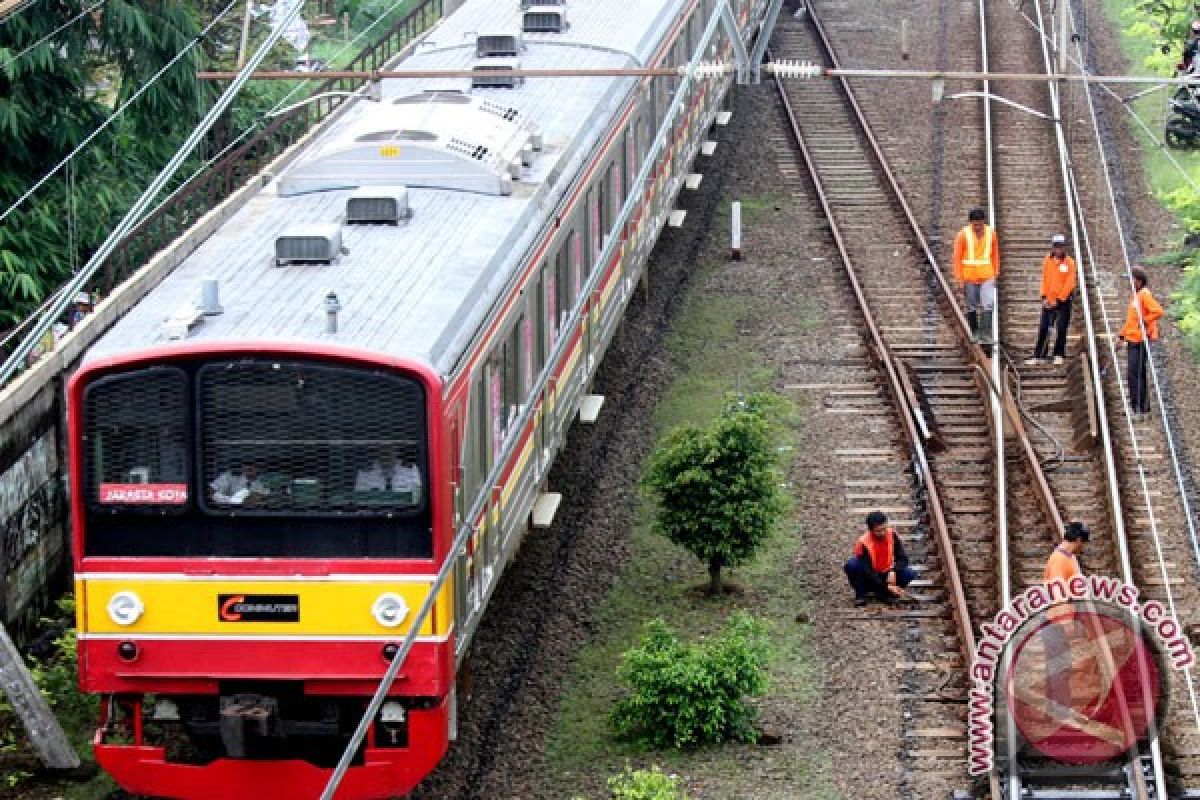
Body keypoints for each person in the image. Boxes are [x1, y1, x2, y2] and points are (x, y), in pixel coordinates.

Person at [1025, 234, 1078, 366]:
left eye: (1061, 246)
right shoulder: (1047, 261)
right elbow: (1045, 280)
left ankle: (1059, 353)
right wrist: (1044, 297)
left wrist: (1060, 299)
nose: (1058, 249)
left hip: (1063, 301)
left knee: (1061, 327)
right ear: (1053, 247)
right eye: (1056, 246)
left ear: (1064, 247)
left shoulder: (1070, 263)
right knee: (1044, 327)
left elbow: (1070, 283)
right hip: (1049, 300)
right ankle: (1040, 354)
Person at [844, 510, 916, 607]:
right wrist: (886, 586)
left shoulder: (892, 535)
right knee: (852, 565)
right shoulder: (863, 543)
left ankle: (885, 594)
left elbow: (903, 559)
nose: (882, 533)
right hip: (869, 578)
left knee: (909, 573)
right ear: (871, 530)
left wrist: (893, 570)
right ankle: (861, 595)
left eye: (884, 529)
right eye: (878, 531)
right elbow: (868, 571)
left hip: (886, 574)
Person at [1118, 266, 1163, 416]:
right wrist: (1121, 336)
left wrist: (1145, 320)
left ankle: (1139, 407)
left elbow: (1158, 311)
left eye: (1131, 279)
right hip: (1133, 339)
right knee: (1135, 373)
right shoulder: (1136, 296)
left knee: (1135, 373)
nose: (1129, 283)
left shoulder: (1144, 295)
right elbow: (1131, 321)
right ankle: (1139, 406)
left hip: (1140, 340)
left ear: (1138, 281)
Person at [953, 208, 1001, 344]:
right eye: (975, 224)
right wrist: (959, 279)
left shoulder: (991, 233)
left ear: (983, 222)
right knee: (971, 306)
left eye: (979, 224)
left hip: (987, 274)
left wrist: (996, 272)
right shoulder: (963, 235)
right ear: (970, 223)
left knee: (988, 304)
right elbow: (957, 258)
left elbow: (995, 254)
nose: (977, 227)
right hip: (969, 276)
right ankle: (975, 333)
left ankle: (985, 334)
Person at [356, 447, 421, 493]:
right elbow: (359, 500)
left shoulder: (411, 470)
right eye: (383, 452)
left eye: (390, 447)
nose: (386, 449)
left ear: (397, 451)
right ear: (377, 451)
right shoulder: (364, 473)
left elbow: (418, 498)